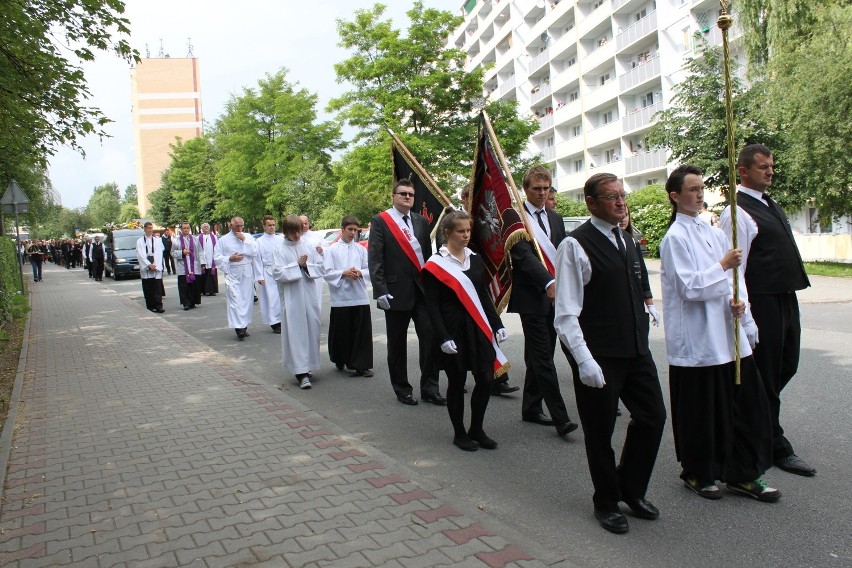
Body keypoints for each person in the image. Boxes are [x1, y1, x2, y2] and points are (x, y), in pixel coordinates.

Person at [553, 172, 667, 534]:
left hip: (636, 350)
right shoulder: (575, 245)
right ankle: (605, 500)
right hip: (600, 354)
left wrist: (646, 310)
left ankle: (629, 487)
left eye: (622, 196)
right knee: (600, 431)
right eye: (611, 197)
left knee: (653, 417)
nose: (620, 203)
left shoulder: (627, 239)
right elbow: (566, 313)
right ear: (591, 202)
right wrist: (584, 359)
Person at [661, 164, 779, 503]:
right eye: (693, 189)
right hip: (700, 340)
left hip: (729, 333)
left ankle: (744, 472)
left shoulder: (713, 231)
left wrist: (741, 306)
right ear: (675, 195)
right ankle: (700, 471)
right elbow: (688, 287)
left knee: (747, 406)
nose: (699, 194)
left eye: (701, 188)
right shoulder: (675, 238)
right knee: (704, 412)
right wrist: (723, 266)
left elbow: (736, 279)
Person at [720, 144, 815, 477]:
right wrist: (745, 315)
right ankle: (774, 444)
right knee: (767, 373)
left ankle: (754, 424)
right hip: (761, 300)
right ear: (743, 171)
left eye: (771, 166)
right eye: (763, 167)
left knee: (786, 365)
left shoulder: (769, 204)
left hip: (785, 296)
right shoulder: (736, 212)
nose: (770, 171)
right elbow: (735, 268)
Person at [424, 209, 508, 451]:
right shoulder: (435, 265)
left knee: (485, 378)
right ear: (447, 232)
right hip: (452, 331)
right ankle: (459, 433)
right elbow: (432, 304)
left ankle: (477, 429)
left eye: (468, 230)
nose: (466, 235)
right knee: (457, 381)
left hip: (478, 327)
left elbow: (482, 296)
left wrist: (497, 324)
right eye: (461, 231)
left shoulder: (476, 259)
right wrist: (442, 337)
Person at [510, 165, 577, 437]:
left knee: (541, 354)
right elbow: (522, 257)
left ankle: (530, 407)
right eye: (536, 189)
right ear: (525, 189)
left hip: (557, 296)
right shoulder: (516, 219)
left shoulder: (556, 218)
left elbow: (562, 252)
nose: (541, 193)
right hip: (532, 297)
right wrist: (548, 282)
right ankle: (561, 418)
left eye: (545, 188)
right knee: (543, 357)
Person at [368, 179, 445, 406]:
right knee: (397, 344)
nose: (407, 197)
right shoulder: (381, 221)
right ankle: (402, 389)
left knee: (430, 338)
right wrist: (380, 290)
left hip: (422, 291)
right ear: (393, 196)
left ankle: (430, 388)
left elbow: (427, 256)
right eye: (402, 193)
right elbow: (375, 258)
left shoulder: (421, 222)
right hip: (395, 292)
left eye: (411, 194)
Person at [272, 214, 325, 389]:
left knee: (312, 327)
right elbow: (278, 273)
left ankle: (309, 366)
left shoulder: (308, 246)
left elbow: (320, 267)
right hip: (292, 297)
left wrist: (306, 266)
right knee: (296, 331)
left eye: (299, 232)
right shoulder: (279, 250)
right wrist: (296, 265)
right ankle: (300, 372)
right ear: (285, 232)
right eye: (293, 232)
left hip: (309, 295)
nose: (297, 236)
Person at [323, 216, 373, 376]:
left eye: (355, 230)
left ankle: (361, 365)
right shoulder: (331, 250)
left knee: (360, 332)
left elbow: (369, 270)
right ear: (342, 229)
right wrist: (343, 273)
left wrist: (359, 273)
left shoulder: (361, 249)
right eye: (350, 229)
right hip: (341, 297)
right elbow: (327, 272)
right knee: (342, 332)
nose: (353, 233)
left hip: (359, 295)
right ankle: (340, 358)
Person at [213, 216, 258, 339]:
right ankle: (239, 328)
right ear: (231, 226)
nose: (239, 228)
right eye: (236, 226)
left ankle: (244, 325)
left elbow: (255, 252)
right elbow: (217, 257)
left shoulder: (248, 237)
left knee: (246, 300)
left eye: (241, 226)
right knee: (235, 300)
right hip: (233, 273)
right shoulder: (223, 240)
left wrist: (245, 240)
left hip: (246, 273)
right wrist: (229, 258)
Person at [254, 215, 284, 334]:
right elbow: (257, 259)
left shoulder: (280, 239)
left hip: (280, 270)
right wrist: (259, 276)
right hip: (267, 271)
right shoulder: (259, 241)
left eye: (273, 225)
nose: (272, 227)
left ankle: (283, 319)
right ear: (264, 226)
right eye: (269, 225)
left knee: (281, 296)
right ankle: (274, 322)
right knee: (271, 298)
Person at [136, 222, 165, 313]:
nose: (150, 230)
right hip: (147, 266)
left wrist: (155, 265)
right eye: (148, 228)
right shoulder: (140, 241)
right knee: (148, 287)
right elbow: (140, 254)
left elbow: (159, 253)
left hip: (155, 266)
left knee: (157, 287)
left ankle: (158, 306)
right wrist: (148, 264)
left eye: (151, 228)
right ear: (144, 229)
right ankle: (150, 305)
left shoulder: (157, 240)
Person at [173, 222, 201, 311]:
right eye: (184, 228)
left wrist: (202, 263)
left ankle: (192, 302)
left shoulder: (195, 239)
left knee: (193, 285)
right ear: (181, 229)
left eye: (188, 228)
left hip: (193, 266)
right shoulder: (176, 240)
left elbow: (200, 251)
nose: (186, 230)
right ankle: (186, 303)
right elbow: (172, 252)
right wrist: (182, 252)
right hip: (183, 266)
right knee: (184, 286)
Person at [197, 223, 219, 296]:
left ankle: (212, 290)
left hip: (211, 258)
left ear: (209, 228)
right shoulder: (199, 238)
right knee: (204, 275)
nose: (206, 228)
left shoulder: (214, 237)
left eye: (207, 227)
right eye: (204, 227)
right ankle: (204, 290)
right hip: (203, 258)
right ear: (202, 229)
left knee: (211, 274)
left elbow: (217, 247)